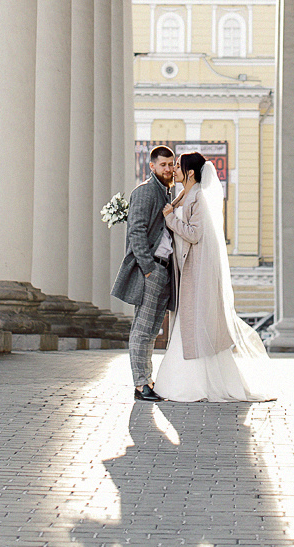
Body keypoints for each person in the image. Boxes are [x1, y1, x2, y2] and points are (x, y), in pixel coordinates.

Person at [154, 151, 274, 403]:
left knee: (192, 325)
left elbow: (194, 234)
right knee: (188, 325)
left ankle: (194, 385)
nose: (173, 169)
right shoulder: (185, 195)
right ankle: (185, 382)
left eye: (178, 166)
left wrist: (169, 219)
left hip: (195, 271)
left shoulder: (198, 197)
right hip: (186, 271)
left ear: (189, 172)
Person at [111, 145, 176, 401]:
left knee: (151, 331)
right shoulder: (146, 192)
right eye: (163, 165)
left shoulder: (167, 194)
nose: (168, 169)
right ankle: (140, 384)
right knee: (141, 328)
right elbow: (136, 231)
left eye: (171, 164)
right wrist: (148, 269)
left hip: (165, 270)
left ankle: (147, 380)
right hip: (151, 270)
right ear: (152, 166)